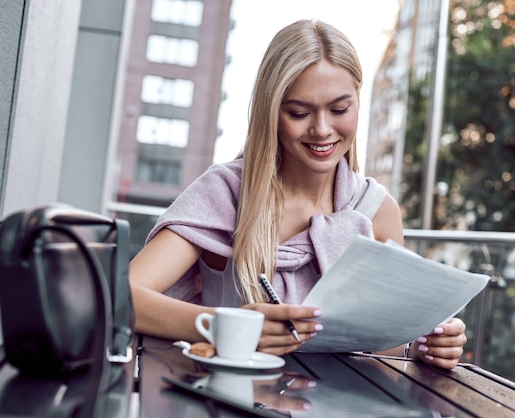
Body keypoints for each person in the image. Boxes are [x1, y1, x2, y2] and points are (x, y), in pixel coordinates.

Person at [130, 19, 467, 370]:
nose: (322, 130)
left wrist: (428, 344)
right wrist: (226, 327)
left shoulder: (378, 210)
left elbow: (386, 352)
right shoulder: (227, 193)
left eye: (339, 109)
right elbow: (125, 297)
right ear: (271, 113)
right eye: (299, 113)